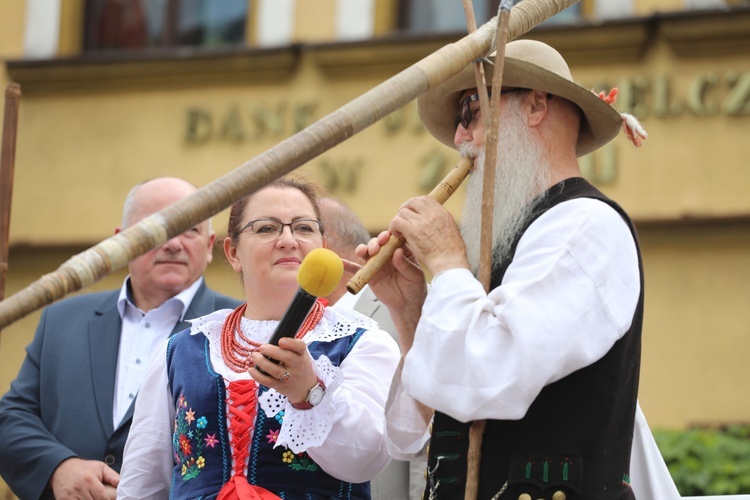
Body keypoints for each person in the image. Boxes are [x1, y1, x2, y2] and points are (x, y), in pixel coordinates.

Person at [355, 39, 649, 499]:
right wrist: (411, 311)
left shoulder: (584, 225)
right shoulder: (515, 238)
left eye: (470, 110)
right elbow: (421, 430)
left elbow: (489, 378)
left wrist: (449, 263)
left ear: (535, 105)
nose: (459, 137)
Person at [117, 177, 401, 499]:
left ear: (322, 247)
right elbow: (141, 487)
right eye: (267, 228)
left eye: (304, 228)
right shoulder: (180, 350)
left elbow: (365, 460)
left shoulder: (361, 343)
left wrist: (309, 393)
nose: (288, 240)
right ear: (233, 252)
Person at [0, 176, 241, 500]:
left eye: (190, 229)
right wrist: (58, 467)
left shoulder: (238, 328)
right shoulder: (61, 321)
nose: (173, 243)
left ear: (210, 245)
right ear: (121, 240)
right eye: (156, 228)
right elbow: (10, 419)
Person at [319, 196, 426, 500]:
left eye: (300, 229)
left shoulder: (405, 316)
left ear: (323, 245)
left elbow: (426, 439)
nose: (283, 244)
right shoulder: (291, 325)